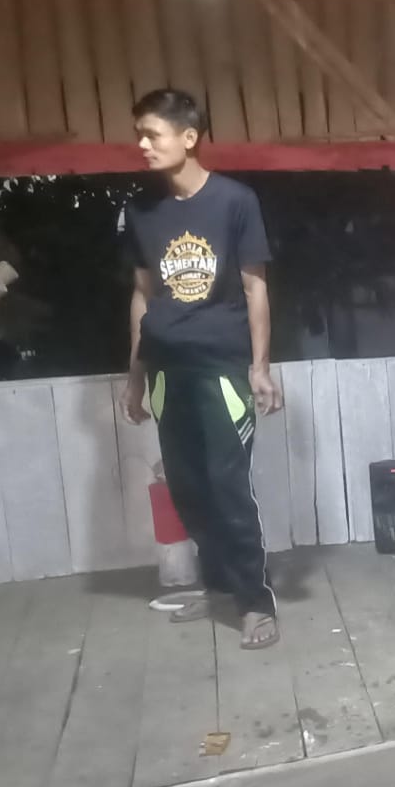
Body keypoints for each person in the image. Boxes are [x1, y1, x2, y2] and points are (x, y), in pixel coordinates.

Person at [121, 88, 284, 650]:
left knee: (227, 485)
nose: (143, 145)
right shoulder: (141, 211)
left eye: (152, 134)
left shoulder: (235, 201)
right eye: (139, 135)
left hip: (221, 368)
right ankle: (220, 588)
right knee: (188, 489)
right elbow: (142, 296)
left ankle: (255, 603)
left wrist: (259, 368)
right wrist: (135, 376)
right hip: (167, 371)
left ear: (188, 137)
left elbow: (255, 288)